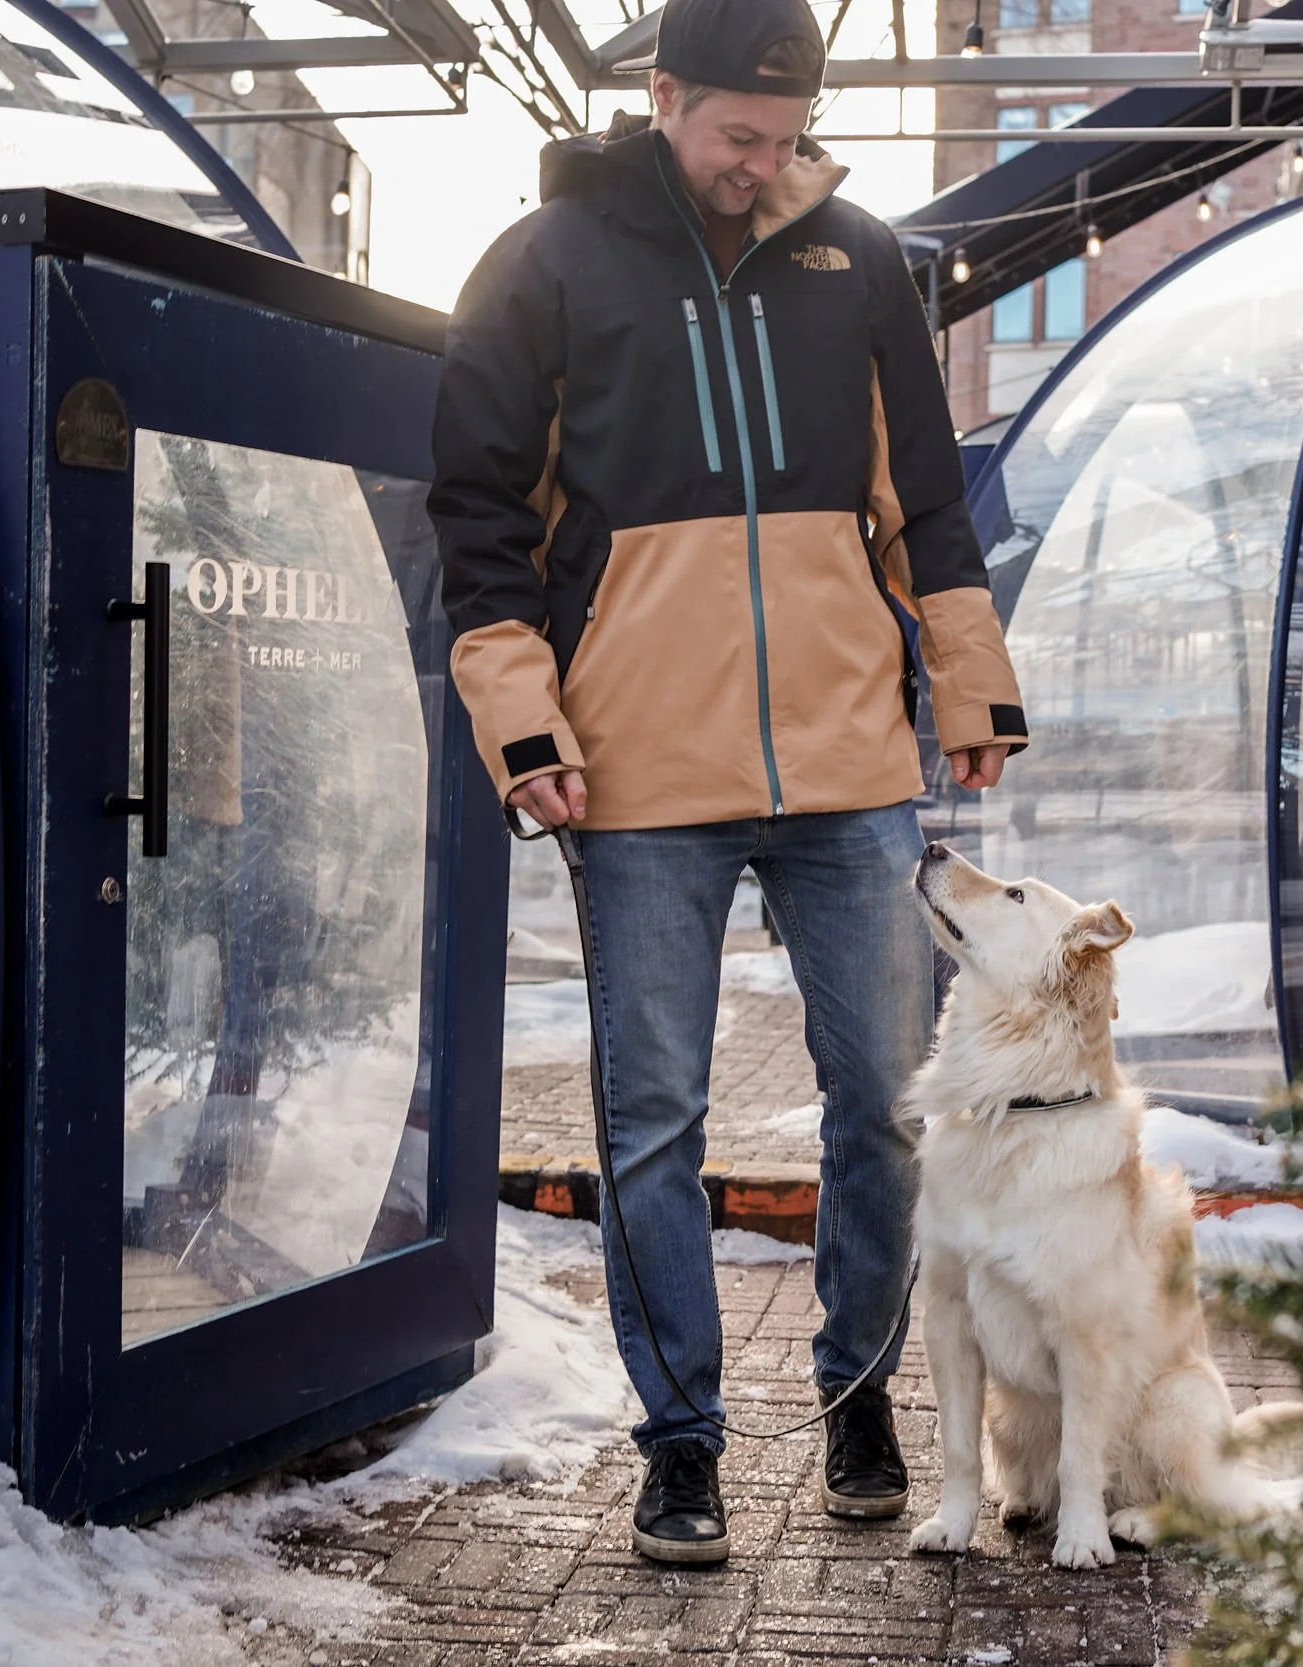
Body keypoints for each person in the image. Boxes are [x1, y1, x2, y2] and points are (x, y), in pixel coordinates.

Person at [428, 0, 1028, 1565]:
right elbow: (480, 518)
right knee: (649, 1124)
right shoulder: (545, 265)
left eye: (789, 139)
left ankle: (859, 1400)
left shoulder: (863, 262)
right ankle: (681, 1446)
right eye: (736, 137)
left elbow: (929, 500)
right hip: (634, 771)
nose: (766, 167)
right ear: (665, 94)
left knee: (883, 1112)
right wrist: (523, 719)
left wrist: (969, 683)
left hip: (846, 763)